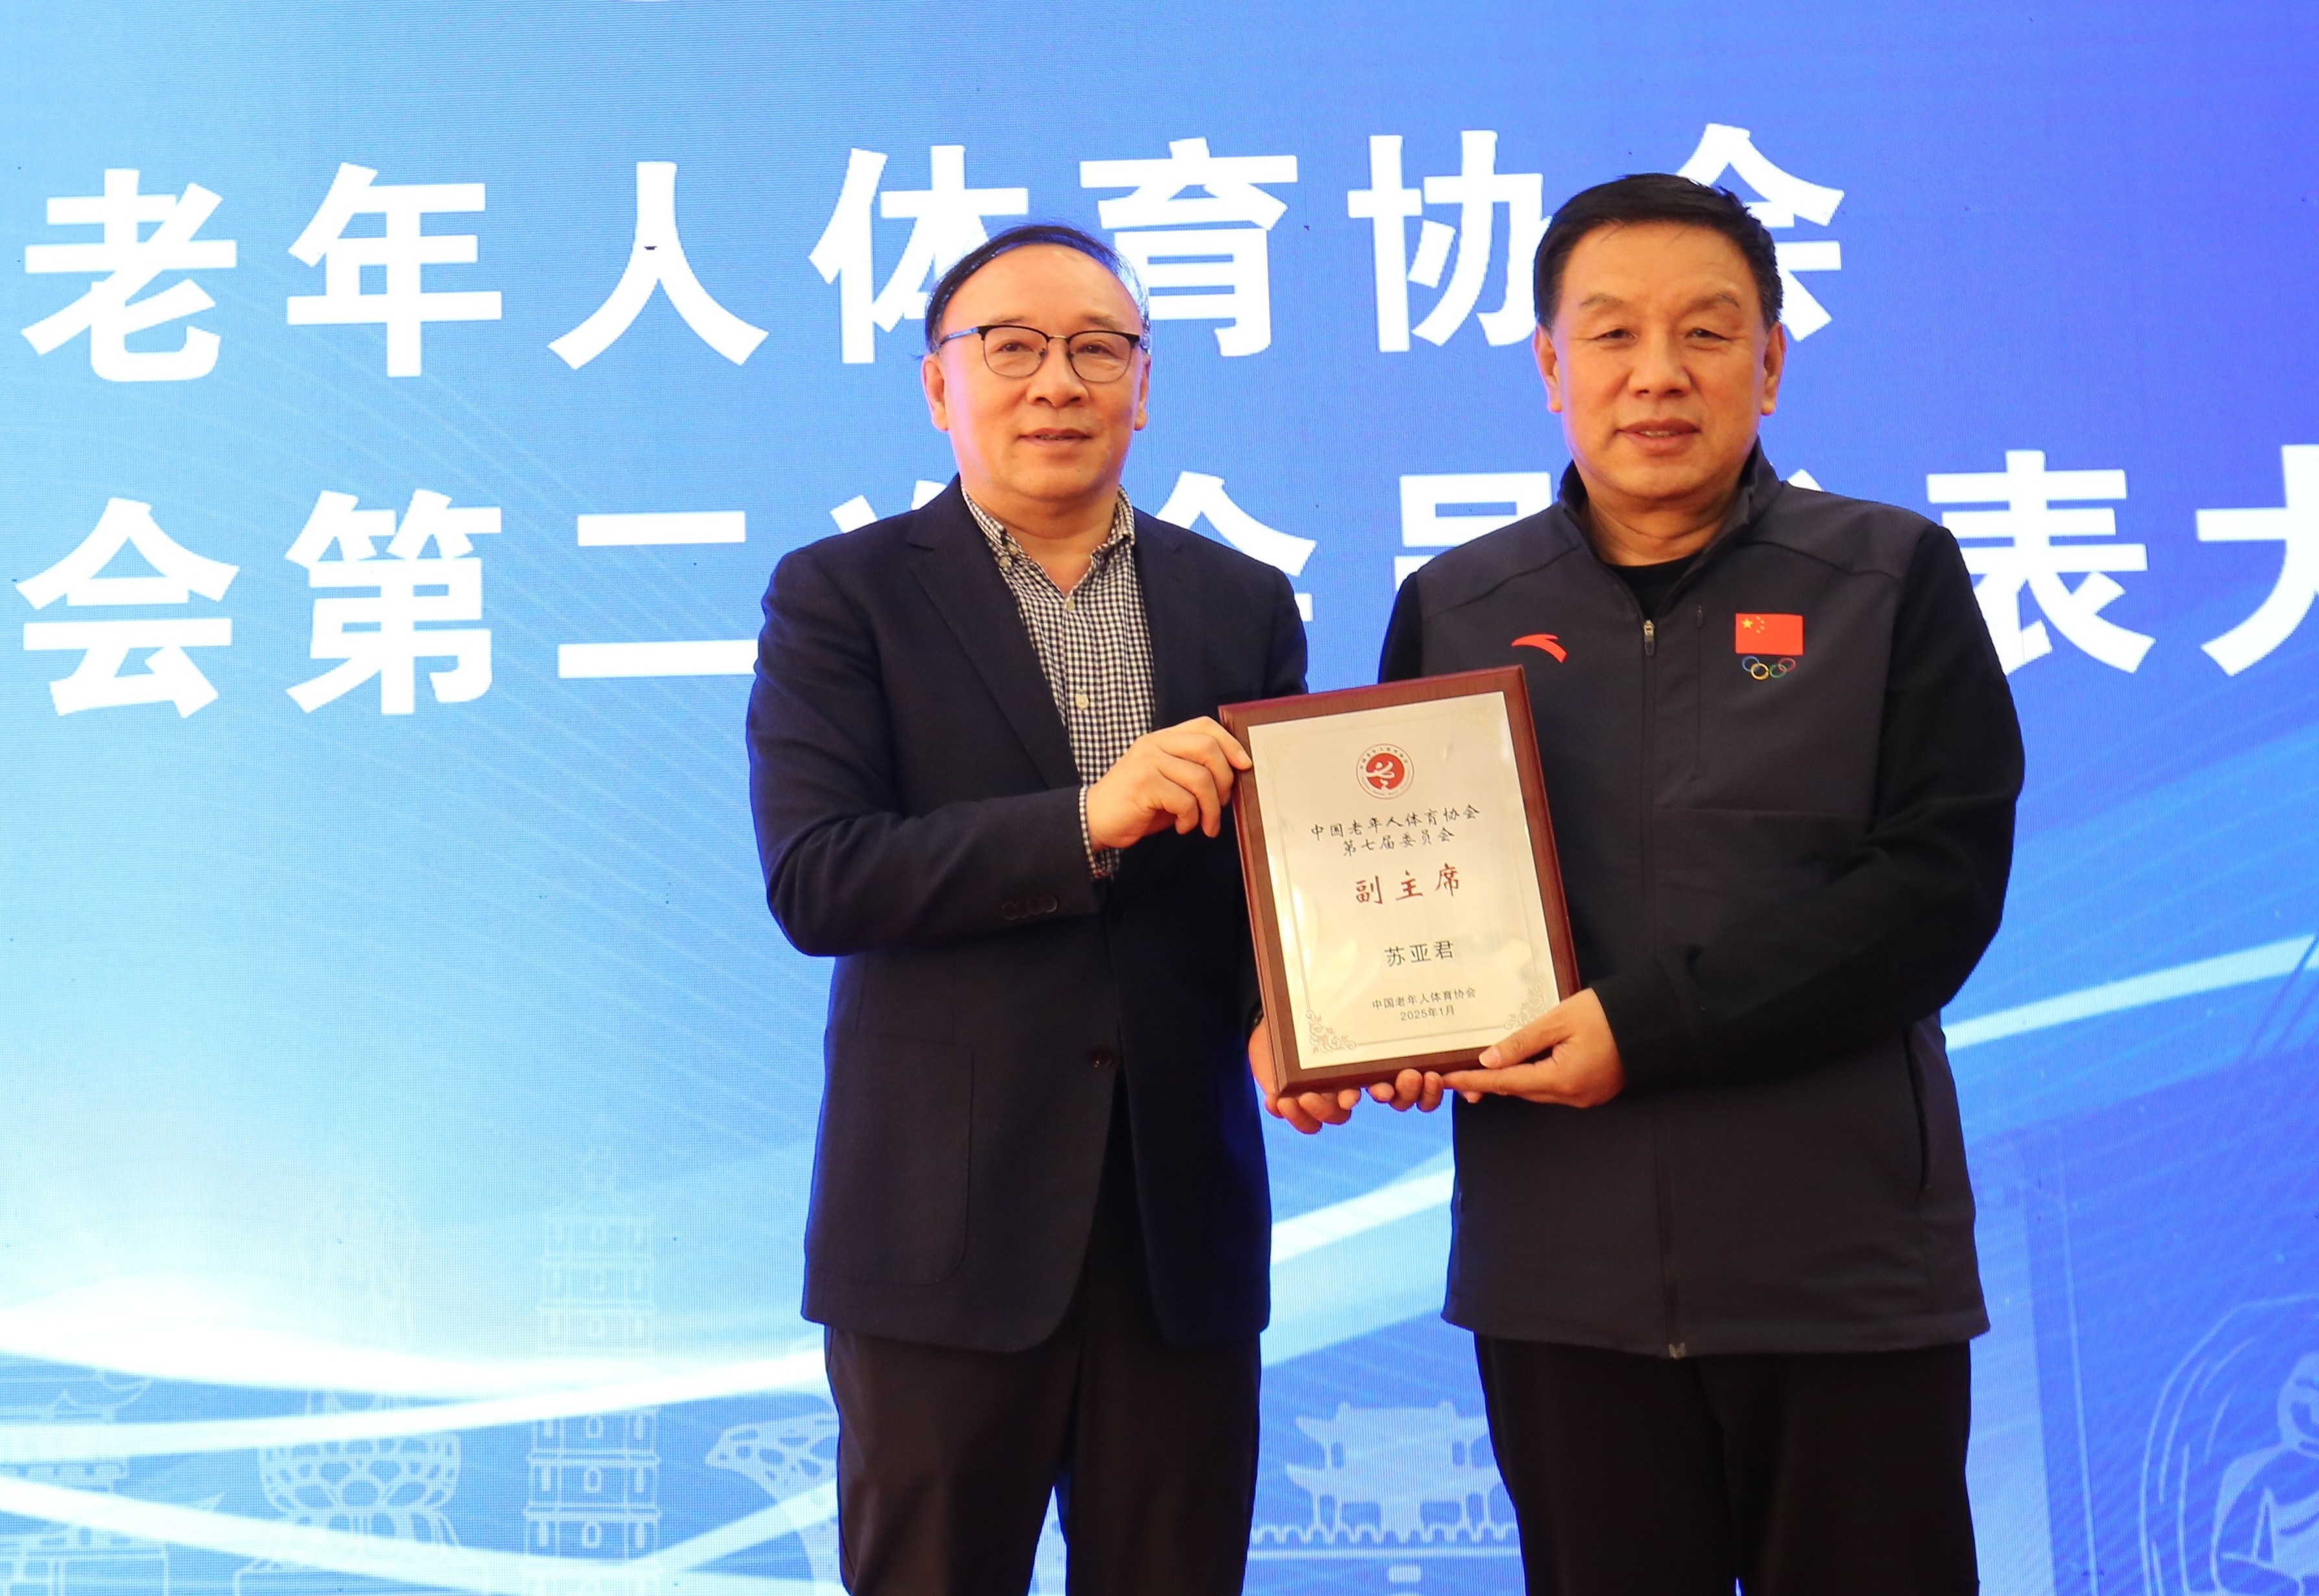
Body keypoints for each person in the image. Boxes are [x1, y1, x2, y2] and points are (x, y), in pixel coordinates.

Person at [1367, 174, 2024, 1595]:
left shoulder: (1888, 576)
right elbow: (1406, 890)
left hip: (1841, 1272)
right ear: (1549, 367)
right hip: (1562, 1277)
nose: (1656, 373)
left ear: (1770, 362)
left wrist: (1648, 1026)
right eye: (1610, 334)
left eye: (1706, 333)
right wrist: (1365, 1027)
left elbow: (1939, 890)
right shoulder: (1458, 607)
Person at [746, 222, 1311, 1596]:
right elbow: (822, 875)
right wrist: (1083, 822)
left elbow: (1270, 888)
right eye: (1011, 348)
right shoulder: (842, 596)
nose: (1057, 381)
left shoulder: (1240, 602)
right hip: (942, 1235)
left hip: (1175, 1232)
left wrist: (1304, 1019)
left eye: (1096, 349)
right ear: (938, 384)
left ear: (1142, 385)